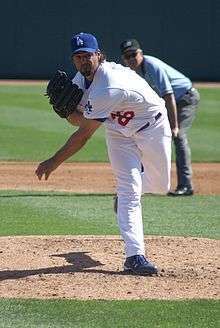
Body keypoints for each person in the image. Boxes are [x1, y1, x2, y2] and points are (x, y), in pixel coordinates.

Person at [35, 32, 172, 276]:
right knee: (128, 192)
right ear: (73, 60)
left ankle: (129, 190)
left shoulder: (109, 84)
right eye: (78, 57)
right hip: (118, 133)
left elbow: (83, 133)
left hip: (152, 127)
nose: (83, 61)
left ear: (99, 55)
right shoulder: (79, 80)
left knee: (161, 186)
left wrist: (53, 161)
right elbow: (77, 120)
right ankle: (135, 256)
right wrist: (65, 111)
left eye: (87, 55)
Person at [120, 39, 200, 196]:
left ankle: (186, 185)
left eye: (133, 54)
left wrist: (174, 125)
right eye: (127, 56)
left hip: (185, 99)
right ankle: (145, 181)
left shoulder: (152, 65)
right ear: (123, 59)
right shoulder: (130, 73)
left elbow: (168, 95)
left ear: (140, 53)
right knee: (147, 136)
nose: (131, 59)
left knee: (179, 136)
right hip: (167, 103)